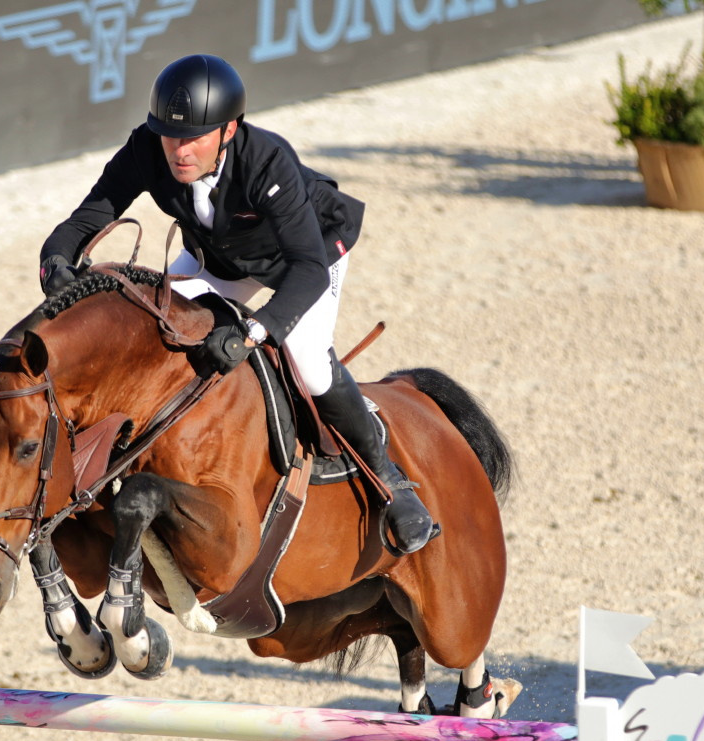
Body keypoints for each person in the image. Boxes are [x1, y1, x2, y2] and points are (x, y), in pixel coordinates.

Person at [38, 53, 436, 555]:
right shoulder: (146, 148)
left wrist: (253, 331)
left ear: (228, 131)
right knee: (157, 324)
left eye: (195, 138)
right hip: (224, 255)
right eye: (169, 135)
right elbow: (87, 217)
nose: (179, 151)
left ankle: (390, 481)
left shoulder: (267, 161)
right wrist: (54, 260)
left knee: (306, 358)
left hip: (307, 253)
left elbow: (307, 266)